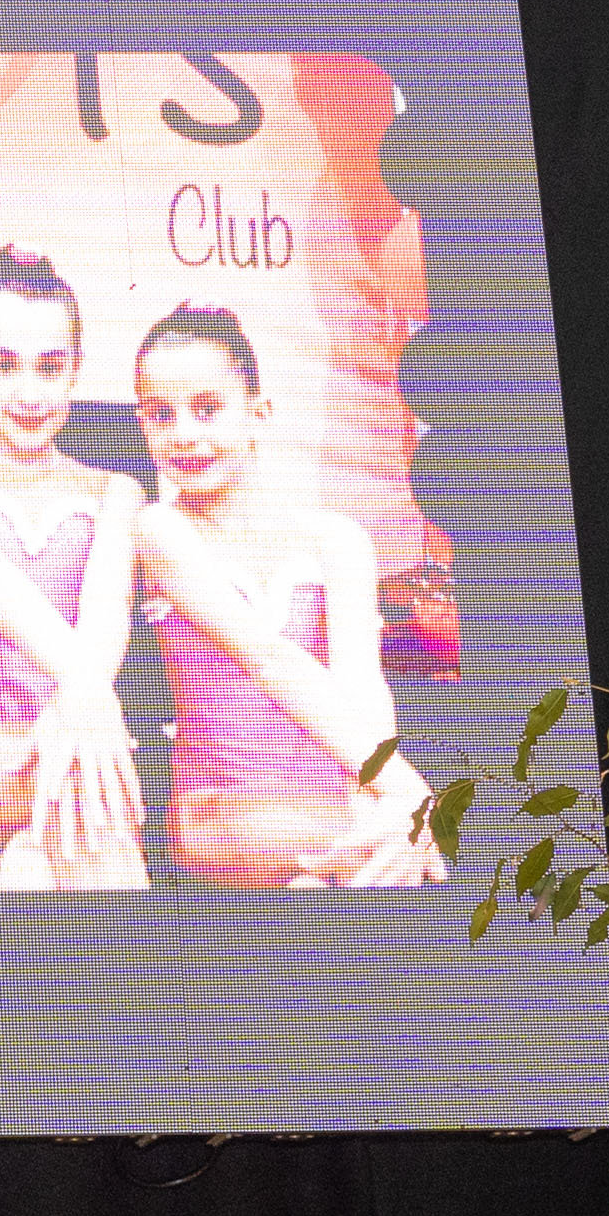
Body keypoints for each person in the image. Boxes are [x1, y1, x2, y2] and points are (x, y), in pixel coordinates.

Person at [125, 304, 443, 887]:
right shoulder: (159, 530)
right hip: (221, 815)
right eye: (161, 414)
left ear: (259, 412)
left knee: (383, 857)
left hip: (333, 805)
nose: (184, 435)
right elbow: (266, 657)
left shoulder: (338, 540)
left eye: (207, 409)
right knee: (388, 853)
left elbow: (363, 689)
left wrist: (386, 803)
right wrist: (411, 791)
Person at [0, 245, 148, 888]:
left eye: (49, 368)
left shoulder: (114, 493)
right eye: (4, 365)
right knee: (78, 778)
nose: (28, 394)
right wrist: (82, 701)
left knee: (71, 805)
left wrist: (78, 706)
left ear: (76, 369)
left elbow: (106, 614)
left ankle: (34, 877)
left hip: (88, 738)